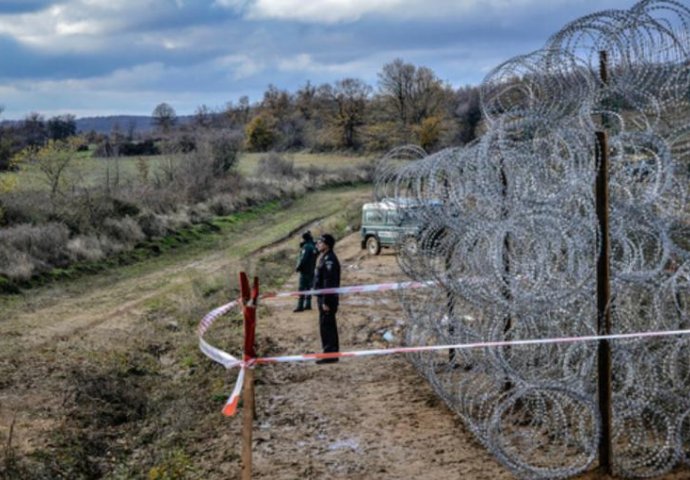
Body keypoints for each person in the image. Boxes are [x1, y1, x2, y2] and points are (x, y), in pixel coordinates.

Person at [313, 233, 341, 363]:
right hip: (324, 298)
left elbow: (328, 283)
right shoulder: (323, 257)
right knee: (325, 326)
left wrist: (325, 301)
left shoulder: (330, 260)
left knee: (328, 326)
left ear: (327, 245)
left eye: (320, 242)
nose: (318, 244)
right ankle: (329, 353)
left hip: (327, 299)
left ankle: (330, 355)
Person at [294, 231, 317, 312]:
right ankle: (308, 304)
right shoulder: (313, 246)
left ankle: (300, 306)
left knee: (302, 288)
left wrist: (298, 267)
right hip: (311, 270)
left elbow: (303, 259)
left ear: (304, 239)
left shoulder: (306, 247)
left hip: (305, 271)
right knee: (309, 288)